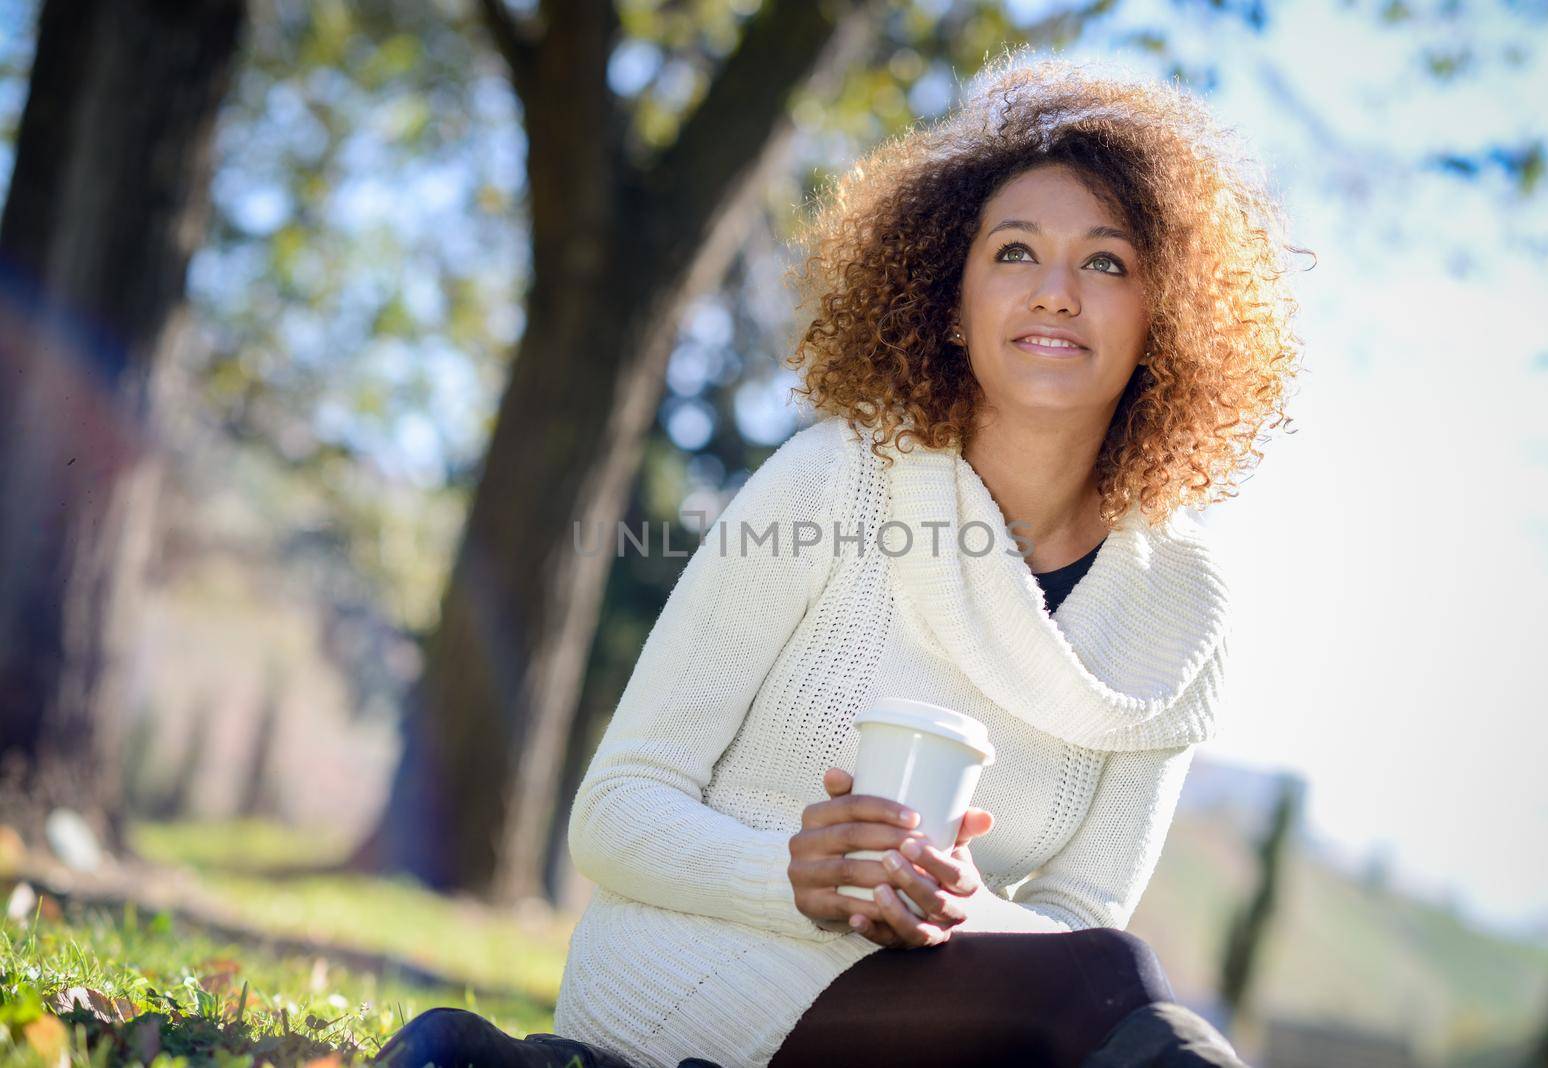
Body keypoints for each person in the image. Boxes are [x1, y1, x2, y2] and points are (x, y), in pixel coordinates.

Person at [379, 51, 1303, 1068]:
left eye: (1105, 263)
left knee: (1090, 989)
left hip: (947, 1003)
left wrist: (958, 909)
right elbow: (612, 813)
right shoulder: (831, 484)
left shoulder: (1182, 605)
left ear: (1159, 318)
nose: (1054, 293)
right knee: (1107, 985)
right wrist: (794, 873)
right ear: (950, 304)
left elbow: (1077, 913)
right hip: (700, 957)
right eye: (1012, 253)